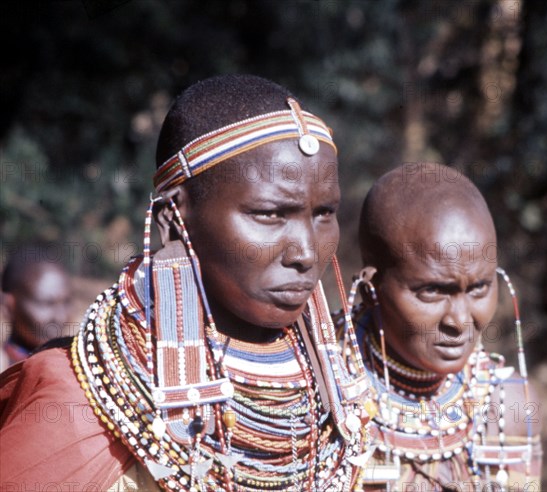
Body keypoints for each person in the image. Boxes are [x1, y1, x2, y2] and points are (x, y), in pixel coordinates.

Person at [0, 75, 372, 491]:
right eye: (270, 214)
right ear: (174, 221)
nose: (306, 251)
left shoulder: (346, 388)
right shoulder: (78, 400)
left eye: (324, 213)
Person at [344, 163, 542, 491]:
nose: (460, 321)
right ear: (371, 291)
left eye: (478, 288)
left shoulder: (507, 406)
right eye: (433, 291)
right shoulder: (321, 392)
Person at [0, 244, 72, 372]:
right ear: (8, 307)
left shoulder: (73, 372)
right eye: (46, 304)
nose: (60, 317)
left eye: (66, 303)